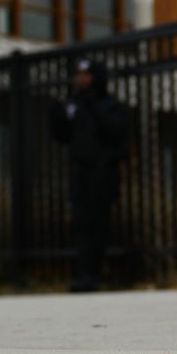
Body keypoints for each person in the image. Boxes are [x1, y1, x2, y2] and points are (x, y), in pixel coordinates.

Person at [49, 58, 131, 292]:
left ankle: (94, 272)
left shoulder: (111, 106)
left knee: (99, 222)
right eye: (79, 75)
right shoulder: (75, 105)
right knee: (81, 223)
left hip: (103, 172)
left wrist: (93, 108)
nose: (82, 79)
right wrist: (57, 114)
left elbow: (117, 134)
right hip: (80, 172)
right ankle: (84, 273)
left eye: (87, 75)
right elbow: (63, 136)